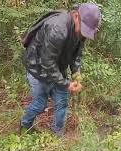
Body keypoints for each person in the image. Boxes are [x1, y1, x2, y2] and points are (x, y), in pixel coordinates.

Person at [20, 3, 101, 137]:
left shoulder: (80, 31)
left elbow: (77, 55)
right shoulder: (57, 28)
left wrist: (76, 74)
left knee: (62, 100)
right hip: (38, 67)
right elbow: (47, 63)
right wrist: (67, 84)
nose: (84, 34)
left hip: (56, 67)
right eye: (84, 29)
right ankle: (25, 125)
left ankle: (57, 134)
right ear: (76, 16)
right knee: (40, 103)